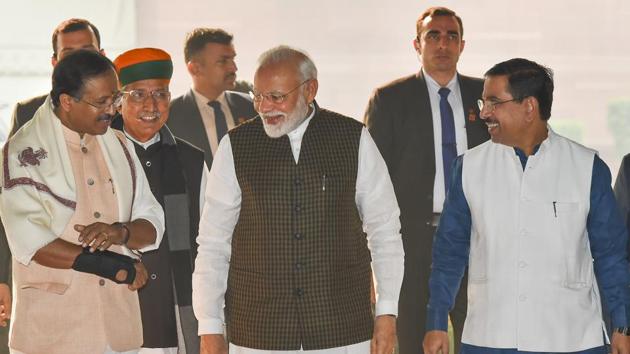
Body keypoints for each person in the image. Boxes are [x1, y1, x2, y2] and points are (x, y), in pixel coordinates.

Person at [193, 45, 404, 354]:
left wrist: (387, 313)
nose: (265, 107)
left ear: (310, 89)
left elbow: (384, 231)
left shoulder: (352, 138)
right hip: (259, 332)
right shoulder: (235, 146)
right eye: (258, 96)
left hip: (342, 329)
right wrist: (209, 326)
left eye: (276, 96)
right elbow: (213, 242)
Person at [423, 58, 630, 354]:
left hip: (571, 339)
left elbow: (611, 257)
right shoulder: (469, 168)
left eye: (494, 102)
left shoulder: (586, 167)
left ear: (529, 107)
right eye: (484, 101)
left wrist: (622, 326)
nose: (483, 112)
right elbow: (449, 253)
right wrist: (436, 320)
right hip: (490, 339)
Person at [0, 50, 164, 354]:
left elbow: (152, 221)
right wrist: (113, 265)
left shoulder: (120, 145)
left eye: (114, 98)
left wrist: (120, 232)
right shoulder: (23, 154)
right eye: (100, 102)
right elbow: (30, 241)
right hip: (52, 334)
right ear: (66, 102)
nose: (112, 110)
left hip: (118, 332)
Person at [363, 6, 488, 353]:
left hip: (477, 239)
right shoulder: (389, 99)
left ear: (463, 45)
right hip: (413, 245)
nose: (443, 43)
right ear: (416, 45)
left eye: (452, 36)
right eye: (433, 35)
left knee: (481, 339)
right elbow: (370, 182)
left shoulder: (487, 97)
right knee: (415, 339)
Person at [112, 47, 207, 354]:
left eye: (161, 94)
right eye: (138, 94)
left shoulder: (191, 160)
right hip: (113, 311)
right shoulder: (98, 157)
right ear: (118, 101)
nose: (151, 105)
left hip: (174, 314)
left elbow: (209, 243)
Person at [168, 28, 256, 168]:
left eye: (233, 59)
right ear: (195, 68)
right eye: (223, 61)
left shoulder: (252, 107)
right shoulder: (170, 116)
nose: (233, 68)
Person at [9, 18, 104, 136]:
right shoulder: (27, 113)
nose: (79, 61)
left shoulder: (122, 113)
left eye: (87, 52)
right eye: (69, 54)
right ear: (55, 62)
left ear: (102, 56)